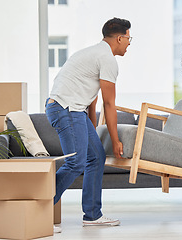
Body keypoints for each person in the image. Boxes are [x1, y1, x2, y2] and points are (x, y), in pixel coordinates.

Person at [45, 17, 132, 228]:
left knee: (96, 156)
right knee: (76, 162)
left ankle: (92, 215)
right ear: (119, 38)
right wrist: (115, 140)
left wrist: (91, 129)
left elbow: (91, 100)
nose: (129, 43)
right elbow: (109, 104)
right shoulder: (108, 60)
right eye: (129, 38)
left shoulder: (91, 54)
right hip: (66, 109)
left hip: (71, 109)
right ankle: (39, 209)